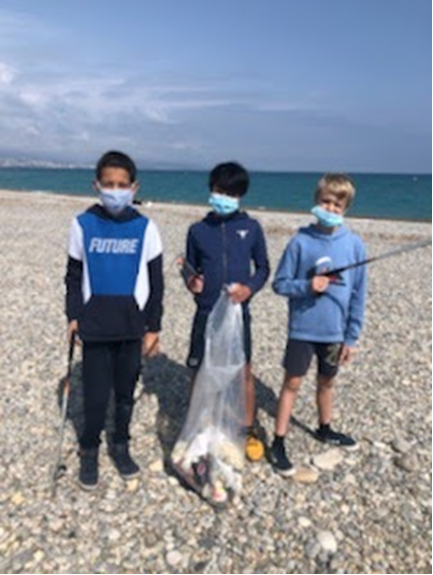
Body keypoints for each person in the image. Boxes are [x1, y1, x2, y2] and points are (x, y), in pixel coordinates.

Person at [65, 150, 163, 490]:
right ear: (97, 185)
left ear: (134, 187)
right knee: (94, 395)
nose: (115, 190)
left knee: (124, 393)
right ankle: (89, 448)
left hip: (131, 326)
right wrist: (73, 316)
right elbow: (74, 275)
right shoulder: (83, 224)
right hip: (94, 325)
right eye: (109, 184)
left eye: (122, 184)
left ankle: (120, 445)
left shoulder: (146, 227)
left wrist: (154, 327)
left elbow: (157, 282)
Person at [269, 173, 367, 476]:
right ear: (316, 202)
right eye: (326, 201)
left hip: (335, 332)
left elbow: (358, 294)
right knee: (292, 383)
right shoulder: (301, 241)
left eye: (338, 204)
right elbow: (280, 284)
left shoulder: (354, 245)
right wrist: (308, 286)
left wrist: (351, 337)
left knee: (327, 381)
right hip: (302, 329)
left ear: (345, 208)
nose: (331, 208)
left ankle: (325, 428)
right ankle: (279, 439)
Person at [184, 161, 270, 460]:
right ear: (211, 190)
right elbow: (190, 271)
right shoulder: (197, 230)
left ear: (240, 195)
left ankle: (248, 428)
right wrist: (191, 282)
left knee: (243, 371)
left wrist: (249, 288)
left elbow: (263, 268)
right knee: (198, 369)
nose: (224, 197)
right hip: (206, 313)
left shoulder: (251, 227)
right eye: (220, 191)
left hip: (237, 314)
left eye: (231, 193)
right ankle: (198, 424)